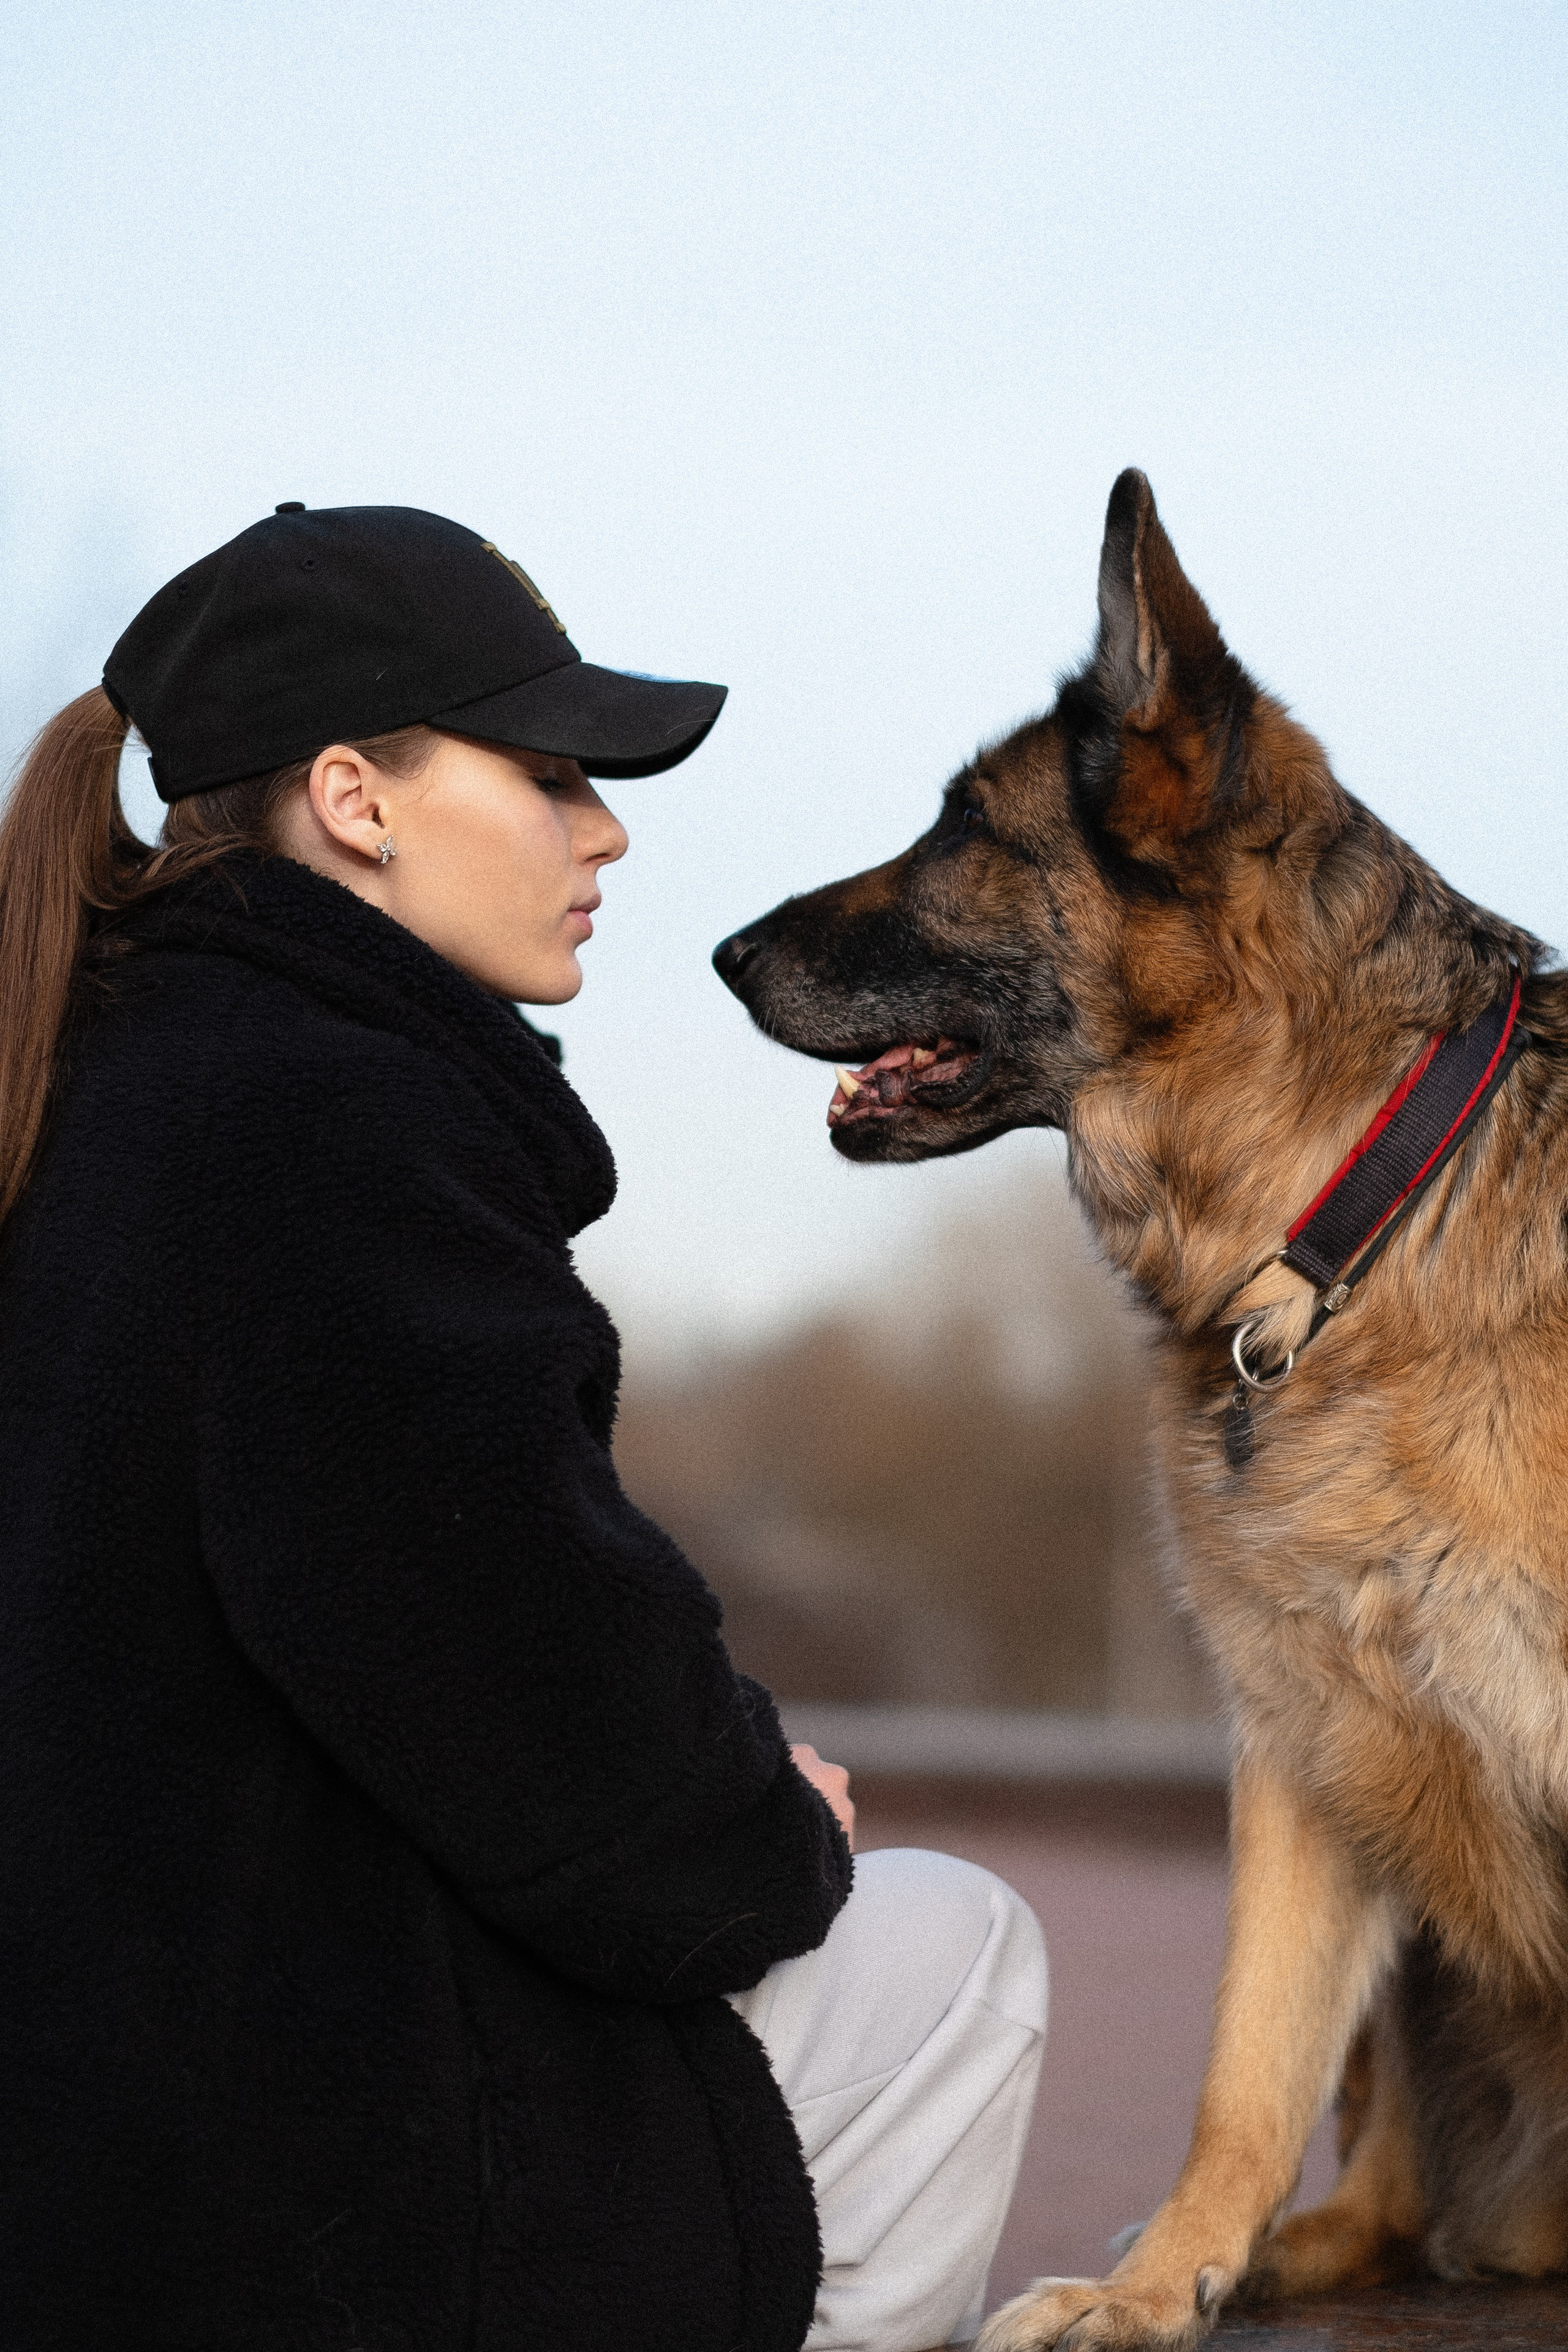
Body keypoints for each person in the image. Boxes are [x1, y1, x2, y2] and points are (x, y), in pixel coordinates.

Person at [0, 503, 1047, 2352]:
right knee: (952, 1948)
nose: (607, 828)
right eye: (553, 772)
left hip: (106, 2122)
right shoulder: (324, 1127)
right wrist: (758, 1820)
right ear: (356, 795)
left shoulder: (106, 1078)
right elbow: (545, 1703)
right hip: (282, 2195)